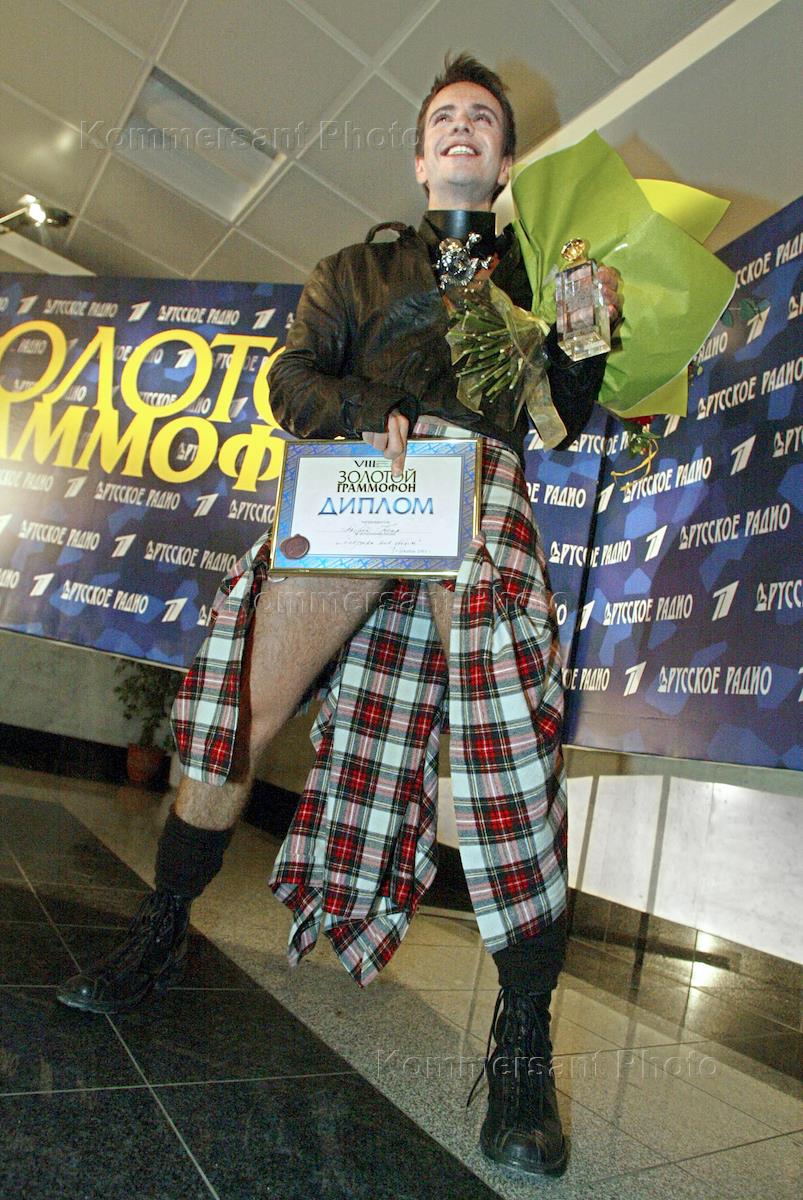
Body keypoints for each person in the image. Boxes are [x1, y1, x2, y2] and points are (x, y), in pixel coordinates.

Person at [58, 54, 621, 1178]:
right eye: (445, 118)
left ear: (505, 160)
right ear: (419, 157)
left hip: (481, 489)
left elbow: (562, 416)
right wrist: (372, 406)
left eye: (482, 121)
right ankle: (159, 931)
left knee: (506, 751)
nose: (462, 129)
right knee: (238, 714)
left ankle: (521, 1044)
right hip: (359, 489)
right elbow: (289, 382)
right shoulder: (351, 271)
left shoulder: (542, 275)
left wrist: (588, 332)